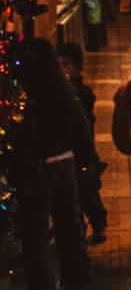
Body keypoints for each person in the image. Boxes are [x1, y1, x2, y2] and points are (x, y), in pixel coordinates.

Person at [12, 38, 93, 289]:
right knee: (69, 228)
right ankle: (78, 279)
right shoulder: (63, 89)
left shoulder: (31, 96)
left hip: (41, 167)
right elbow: (81, 126)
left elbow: (27, 137)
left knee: (36, 236)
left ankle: (44, 283)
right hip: (65, 162)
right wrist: (86, 159)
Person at [58, 43, 108, 245]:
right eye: (59, 65)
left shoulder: (82, 93)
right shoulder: (59, 91)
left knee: (87, 193)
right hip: (67, 151)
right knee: (71, 195)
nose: (63, 70)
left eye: (66, 65)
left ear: (78, 67)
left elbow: (83, 125)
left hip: (83, 153)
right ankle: (77, 228)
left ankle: (99, 223)